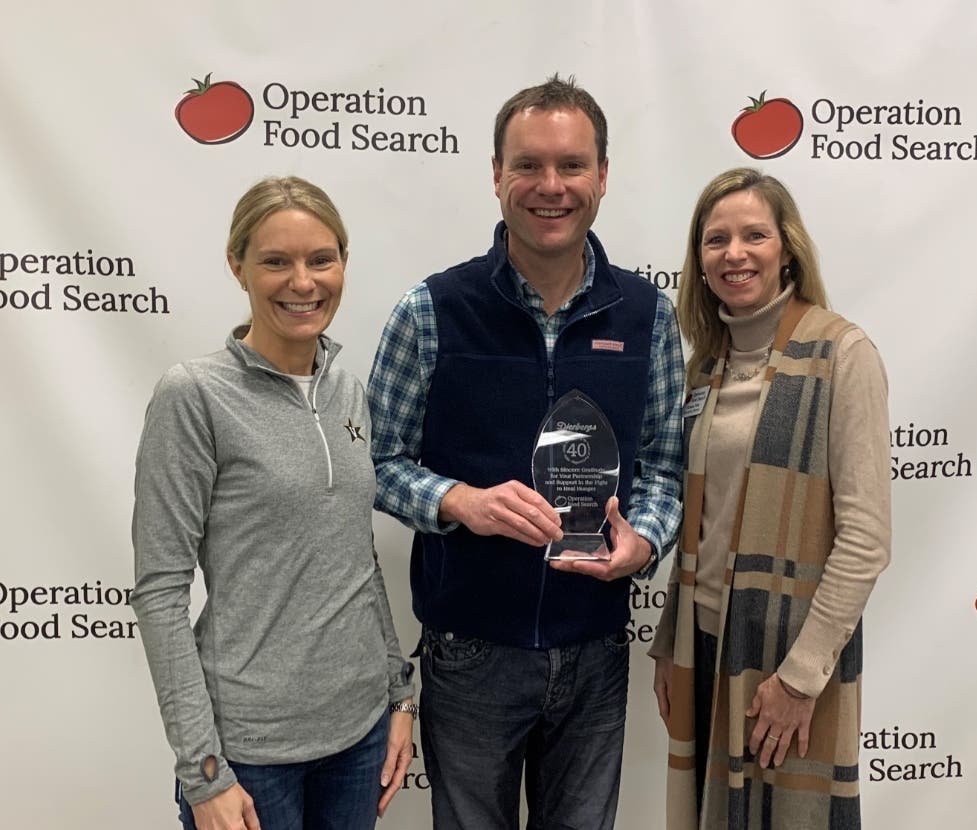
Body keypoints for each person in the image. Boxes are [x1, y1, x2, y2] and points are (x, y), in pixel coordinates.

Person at [367, 74, 684, 829]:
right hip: (469, 652)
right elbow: (375, 461)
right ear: (496, 175)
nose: (551, 186)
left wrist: (643, 540)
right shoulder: (432, 311)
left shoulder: (646, 317)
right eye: (528, 165)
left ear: (602, 176)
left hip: (596, 650)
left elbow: (666, 463)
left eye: (571, 165)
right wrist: (456, 502)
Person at [131, 176, 416, 830]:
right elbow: (159, 589)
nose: (303, 282)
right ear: (237, 266)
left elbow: (354, 555)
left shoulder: (347, 390)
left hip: (358, 734)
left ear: (343, 262)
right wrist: (202, 770)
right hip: (251, 754)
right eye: (275, 262)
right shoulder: (194, 396)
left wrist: (399, 697)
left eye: (321, 259)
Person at [649, 168, 891, 829]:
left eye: (753, 235)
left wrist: (799, 678)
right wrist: (670, 640)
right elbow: (700, 522)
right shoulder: (706, 365)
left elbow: (866, 539)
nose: (734, 254)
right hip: (701, 648)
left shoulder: (842, 352)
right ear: (697, 260)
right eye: (715, 239)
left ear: (786, 248)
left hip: (785, 660)